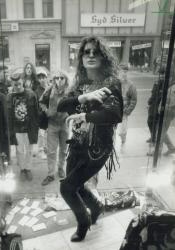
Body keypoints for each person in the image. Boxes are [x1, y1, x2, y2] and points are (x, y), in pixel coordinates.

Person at [57, 36, 123, 242]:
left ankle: (83, 221)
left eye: (96, 52)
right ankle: (96, 206)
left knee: (66, 187)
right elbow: (62, 106)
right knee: (75, 185)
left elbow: (115, 115)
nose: (91, 55)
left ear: (103, 57)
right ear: (82, 57)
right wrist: (82, 98)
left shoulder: (111, 83)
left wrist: (85, 115)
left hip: (97, 149)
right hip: (76, 145)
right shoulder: (80, 83)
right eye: (87, 52)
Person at [39, 70, 70, 186]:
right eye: (57, 78)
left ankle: (61, 168)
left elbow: (76, 104)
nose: (59, 80)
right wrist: (47, 111)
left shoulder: (69, 91)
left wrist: (70, 115)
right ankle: (51, 174)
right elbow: (41, 101)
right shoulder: (49, 89)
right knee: (51, 151)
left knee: (63, 149)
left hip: (64, 124)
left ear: (66, 79)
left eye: (62, 78)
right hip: (52, 124)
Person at [8, 73, 39, 182]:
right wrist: (10, 130)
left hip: (29, 128)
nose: (17, 86)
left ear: (23, 82)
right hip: (17, 129)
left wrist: (36, 128)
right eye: (15, 84)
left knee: (29, 150)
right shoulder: (10, 97)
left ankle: (28, 168)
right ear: (12, 84)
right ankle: (22, 169)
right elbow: (9, 115)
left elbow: (36, 112)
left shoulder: (31, 94)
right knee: (19, 150)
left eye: (19, 83)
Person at [117, 64, 137, 146]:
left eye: (125, 71)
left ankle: (123, 138)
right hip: (114, 110)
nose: (124, 73)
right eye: (122, 71)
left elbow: (134, 99)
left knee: (122, 131)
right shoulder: (115, 83)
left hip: (124, 112)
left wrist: (128, 110)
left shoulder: (130, 85)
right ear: (118, 72)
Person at [147, 67, 165, 144]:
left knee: (155, 123)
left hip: (159, 106)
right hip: (153, 105)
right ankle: (153, 136)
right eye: (160, 74)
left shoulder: (166, 84)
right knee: (149, 122)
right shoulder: (156, 82)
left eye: (163, 74)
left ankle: (154, 138)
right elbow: (153, 94)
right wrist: (149, 102)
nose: (161, 75)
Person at [36, 69, 49, 160]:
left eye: (43, 77)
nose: (42, 80)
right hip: (41, 115)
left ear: (46, 78)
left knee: (49, 133)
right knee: (41, 133)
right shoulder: (37, 91)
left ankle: (46, 149)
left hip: (50, 114)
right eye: (40, 78)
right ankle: (41, 151)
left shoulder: (51, 88)